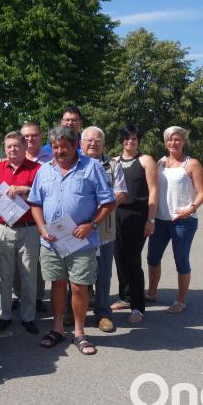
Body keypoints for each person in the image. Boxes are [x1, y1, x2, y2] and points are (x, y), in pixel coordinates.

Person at [28, 126, 115, 355]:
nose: (59, 151)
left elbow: (108, 202)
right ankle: (57, 328)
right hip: (52, 240)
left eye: (63, 147)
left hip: (81, 241)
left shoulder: (92, 167)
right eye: (55, 147)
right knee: (57, 283)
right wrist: (40, 228)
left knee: (78, 286)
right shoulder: (44, 171)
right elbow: (35, 202)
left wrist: (91, 225)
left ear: (76, 145)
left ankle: (79, 333)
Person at [71, 126, 127, 333]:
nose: (93, 143)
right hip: (78, 230)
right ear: (81, 143)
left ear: (103, 144)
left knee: (103, 275)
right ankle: (75, 311)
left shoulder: (113, 165)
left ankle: (103, 313)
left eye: (98, 140)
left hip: (104, 230)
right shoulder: (72, 164)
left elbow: (121, 193)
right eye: (89, 140)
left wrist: (100, 207)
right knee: (77, 274)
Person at [146, 126, 203, 314]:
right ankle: (152, 292)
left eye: (177, 139)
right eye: (170, 140)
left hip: (183, 221)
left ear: (183, 141)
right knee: (152, 258)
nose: (173, 143)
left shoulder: (191, 164)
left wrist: (191, 208)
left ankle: (180, 301)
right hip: (160, 220)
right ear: (165, 142)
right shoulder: (160, 163)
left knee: (181, 260)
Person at [0, 132, 41, 334]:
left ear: (24, 146)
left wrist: (21, 189)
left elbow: (40, 195)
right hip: (4, 228)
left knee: (29, 275)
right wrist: (6, 190)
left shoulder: (36, 169)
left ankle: (28, 317)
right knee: (4, 275)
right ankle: (5, 314)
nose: (12, 150)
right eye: (9, 146)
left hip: (28, 228)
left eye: (16, 146)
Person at [111, 125, 158, 323]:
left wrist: (150, 219)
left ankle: (138, 307)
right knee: (119, 258)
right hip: (115, 214)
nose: (130, 141)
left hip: (137, 216)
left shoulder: (145, 160)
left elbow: (154, 190)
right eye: (127, 138)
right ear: (121, 140)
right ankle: (126, 297)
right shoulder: (113, 161)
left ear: (138, 141)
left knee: (132, 259)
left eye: (134, 139)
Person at [18, 122, 52, 312]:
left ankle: (38, 296)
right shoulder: (16, 156)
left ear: (40, 136)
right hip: (19, 218)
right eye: (26, 136)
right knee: (23, 261)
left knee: (39, 260)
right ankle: (22, 295)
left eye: (34, 135)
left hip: (45, 215)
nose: (30, 139)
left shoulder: (51, 157)